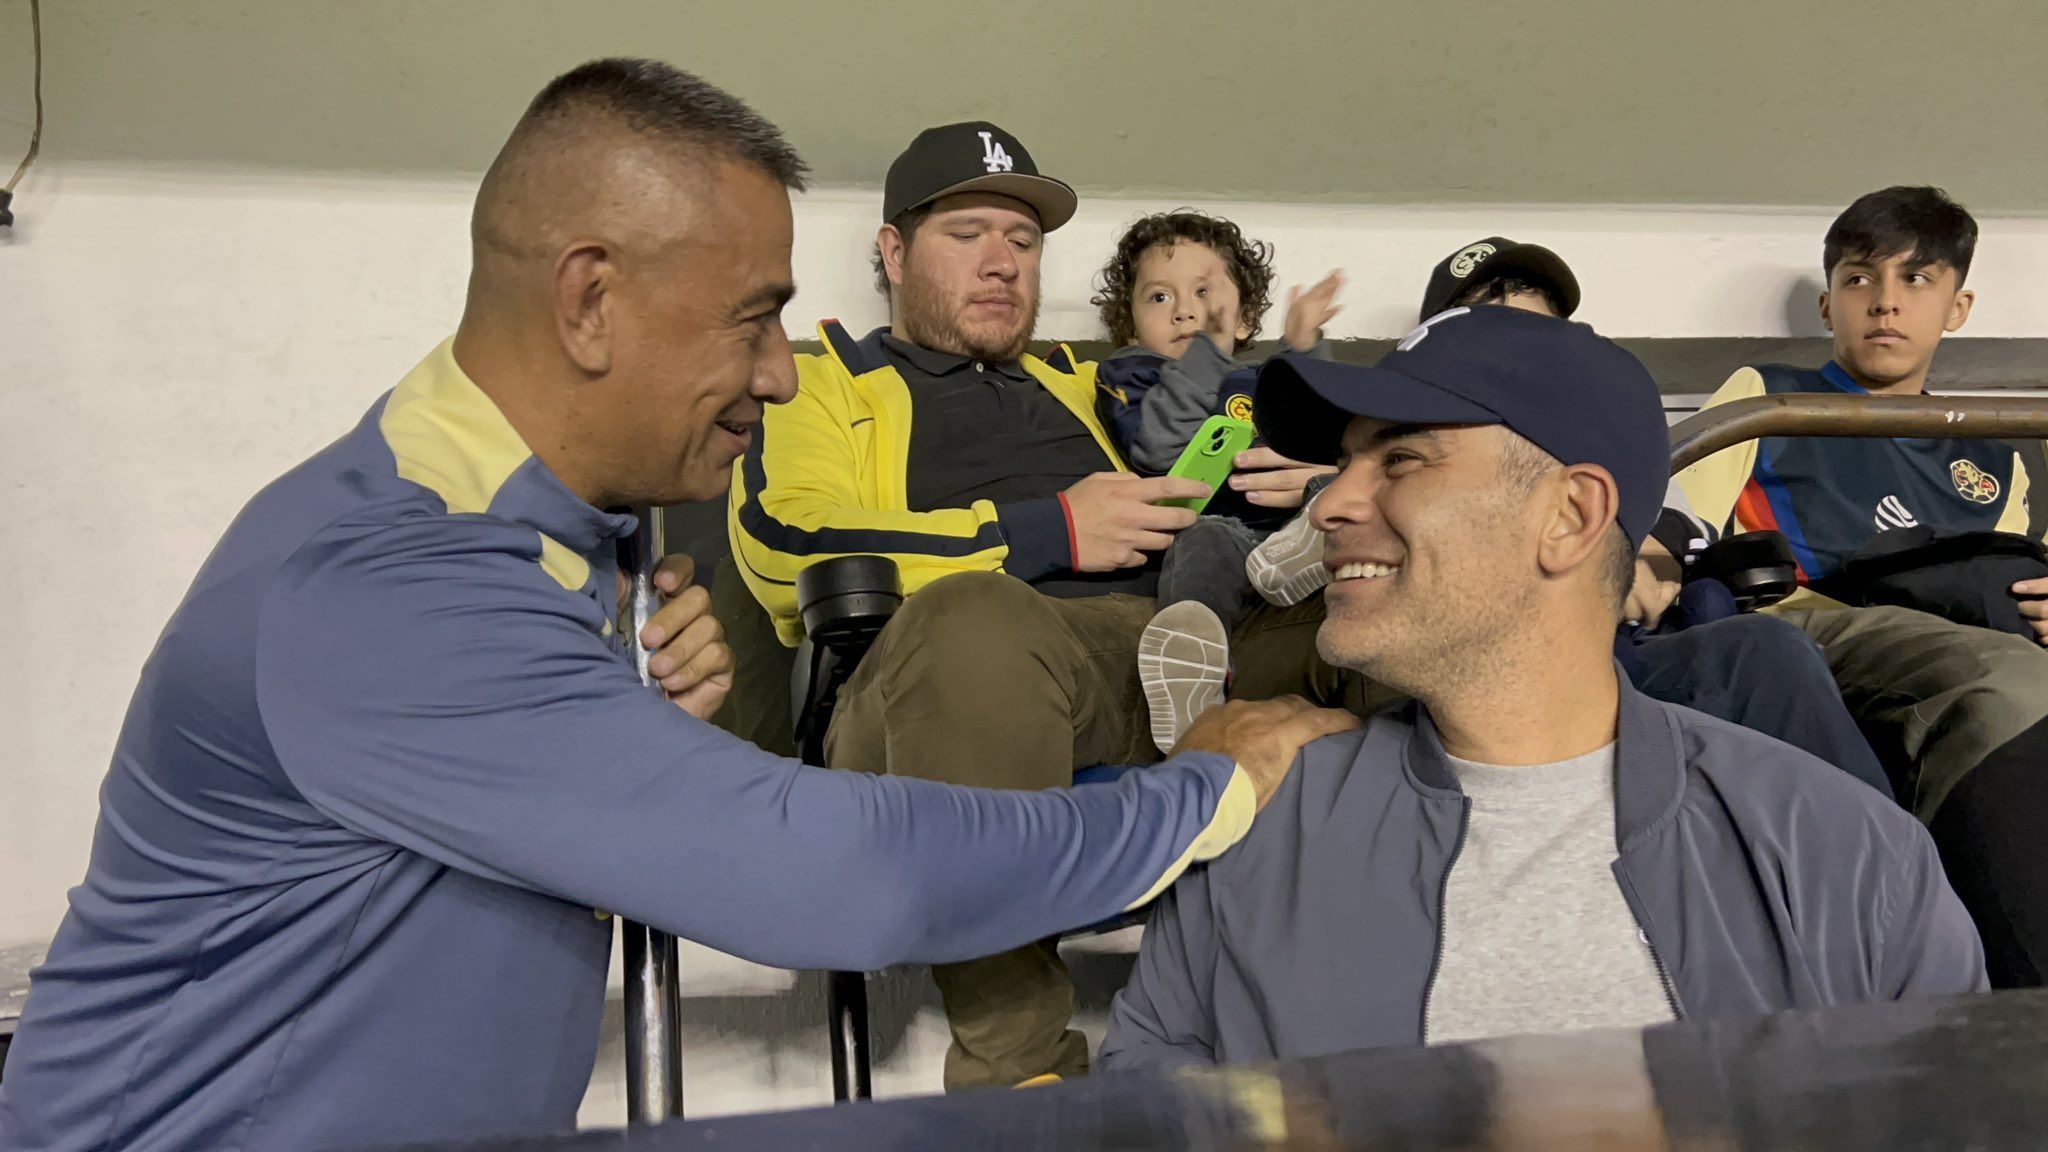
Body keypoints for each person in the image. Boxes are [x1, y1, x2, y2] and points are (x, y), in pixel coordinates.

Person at [0, 63, 1354, 1152]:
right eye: (753, 319)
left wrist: (621, 719)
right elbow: (834, 874)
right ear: (590, 300)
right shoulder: (393, 575)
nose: (777, 372)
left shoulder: (540, 535)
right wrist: (1203, 793)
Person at [1096, 306, 1986, 1071]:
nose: (1330, 502)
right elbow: (1149, 1085)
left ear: (1569, 517)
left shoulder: (1854, 860)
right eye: (1346, 461)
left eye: (1399, 460)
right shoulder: (1263, 828)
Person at [728, 123, 1346, 1090]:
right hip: (952, 669)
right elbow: (783, 545)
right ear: (893, 251)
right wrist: (1046, 531)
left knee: (1411, 587)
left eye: (1021, 242)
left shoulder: (1091, 386)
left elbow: (1214, 438)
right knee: (977, 618)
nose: (1002, 263)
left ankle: (1424, 1036)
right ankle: (1021, 1082)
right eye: (967, 233)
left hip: (1188, 647)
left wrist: (1324, 479)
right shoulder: (816, 383)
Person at [1675, 186, 2048, 985]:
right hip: (1816, 617)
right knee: (2013, 683)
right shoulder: (1767, 397)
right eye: (1859, 280)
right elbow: (1673, 528)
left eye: (1916, 280)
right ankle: (2003, 978)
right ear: (1827, 302)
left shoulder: (1998, 452)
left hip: (1967, 629)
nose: (1884, 303)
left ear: (1958, 306)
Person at [1416, 237, 1892, 796]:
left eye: (1540, 335)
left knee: (1765, 650)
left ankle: (1883, 871)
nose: (1520, 357)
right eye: (1490, 331)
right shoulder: (1411, 438)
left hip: (1641, 646)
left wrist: (1638, 564)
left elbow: (1675, 530)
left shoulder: (1605, 429)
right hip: (1525, 665)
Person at [1088, 209, 1344, 751]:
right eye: (1160, 298)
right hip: (1220, 528)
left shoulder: (1264, 378)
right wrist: (1208, 350)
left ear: (1247, 318)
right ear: (1132, 328)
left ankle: (1304, 549)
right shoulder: (1132, 375)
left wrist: (1304, 349)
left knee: (1342, 485)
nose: (1185, 312)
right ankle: (1192, 676)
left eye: (1204, 293)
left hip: (1295, 529)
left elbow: (1327, 434)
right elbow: (1159, 446)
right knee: (1202, 544)